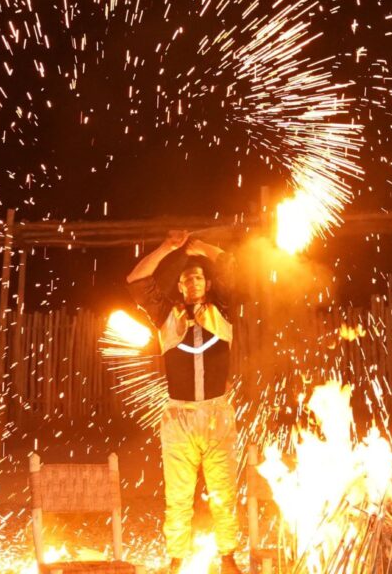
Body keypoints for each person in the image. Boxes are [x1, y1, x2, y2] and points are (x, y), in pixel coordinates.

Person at [127, 231, 243, 574]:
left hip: (217, 414)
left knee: (224, 491)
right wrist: (166, 248)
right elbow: (136, 280)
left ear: (206, 283)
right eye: (186, 278)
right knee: (178, 496)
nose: (192, 282)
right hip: (179, 417)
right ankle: (176, 560)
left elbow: (232, 266)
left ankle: (228, 558)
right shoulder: (166, 315)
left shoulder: (223, 308)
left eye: (198, 277)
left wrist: (201, 248)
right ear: (179, 286)